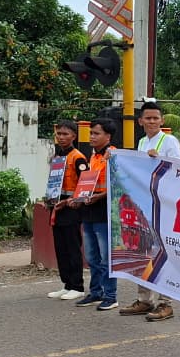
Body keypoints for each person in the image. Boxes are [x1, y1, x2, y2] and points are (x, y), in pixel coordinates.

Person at [118, 100, 180, 322]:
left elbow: (179, 169)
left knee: (164, 253)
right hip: (145, 203)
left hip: (163, 204)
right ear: (140, 121)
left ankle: (166, 303)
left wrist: (159, 160)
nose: (152, 121)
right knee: (144, 251)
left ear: (162, 120)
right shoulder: (142, 142)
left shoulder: (169, 141)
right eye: (148, 118)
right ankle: (144, 299)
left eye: (156, 118)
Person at [70, 118, 118, 311]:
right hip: (89, 210)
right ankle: (96, 292)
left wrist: (99, 196)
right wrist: (79, 198)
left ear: (108, 136)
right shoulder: (93, 156)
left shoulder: (113, 155)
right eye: (91, 133)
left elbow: (117, 184)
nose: (91, 136)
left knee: (106, 258)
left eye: (96, 133)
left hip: (104, 211)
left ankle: (110, 296)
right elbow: (88, 183)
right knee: (91, 257)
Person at [46, 121, 89, 301]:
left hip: (71, 208)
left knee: (72, 247)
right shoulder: (57, 157)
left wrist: (70, 202)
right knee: (61, 248)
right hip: (57, 207)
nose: (61, 137)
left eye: (65, 134)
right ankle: (67, 284)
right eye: (59, 134)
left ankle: (77, 286)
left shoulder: (78, 158)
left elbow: (85, 185)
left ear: (74, 136)